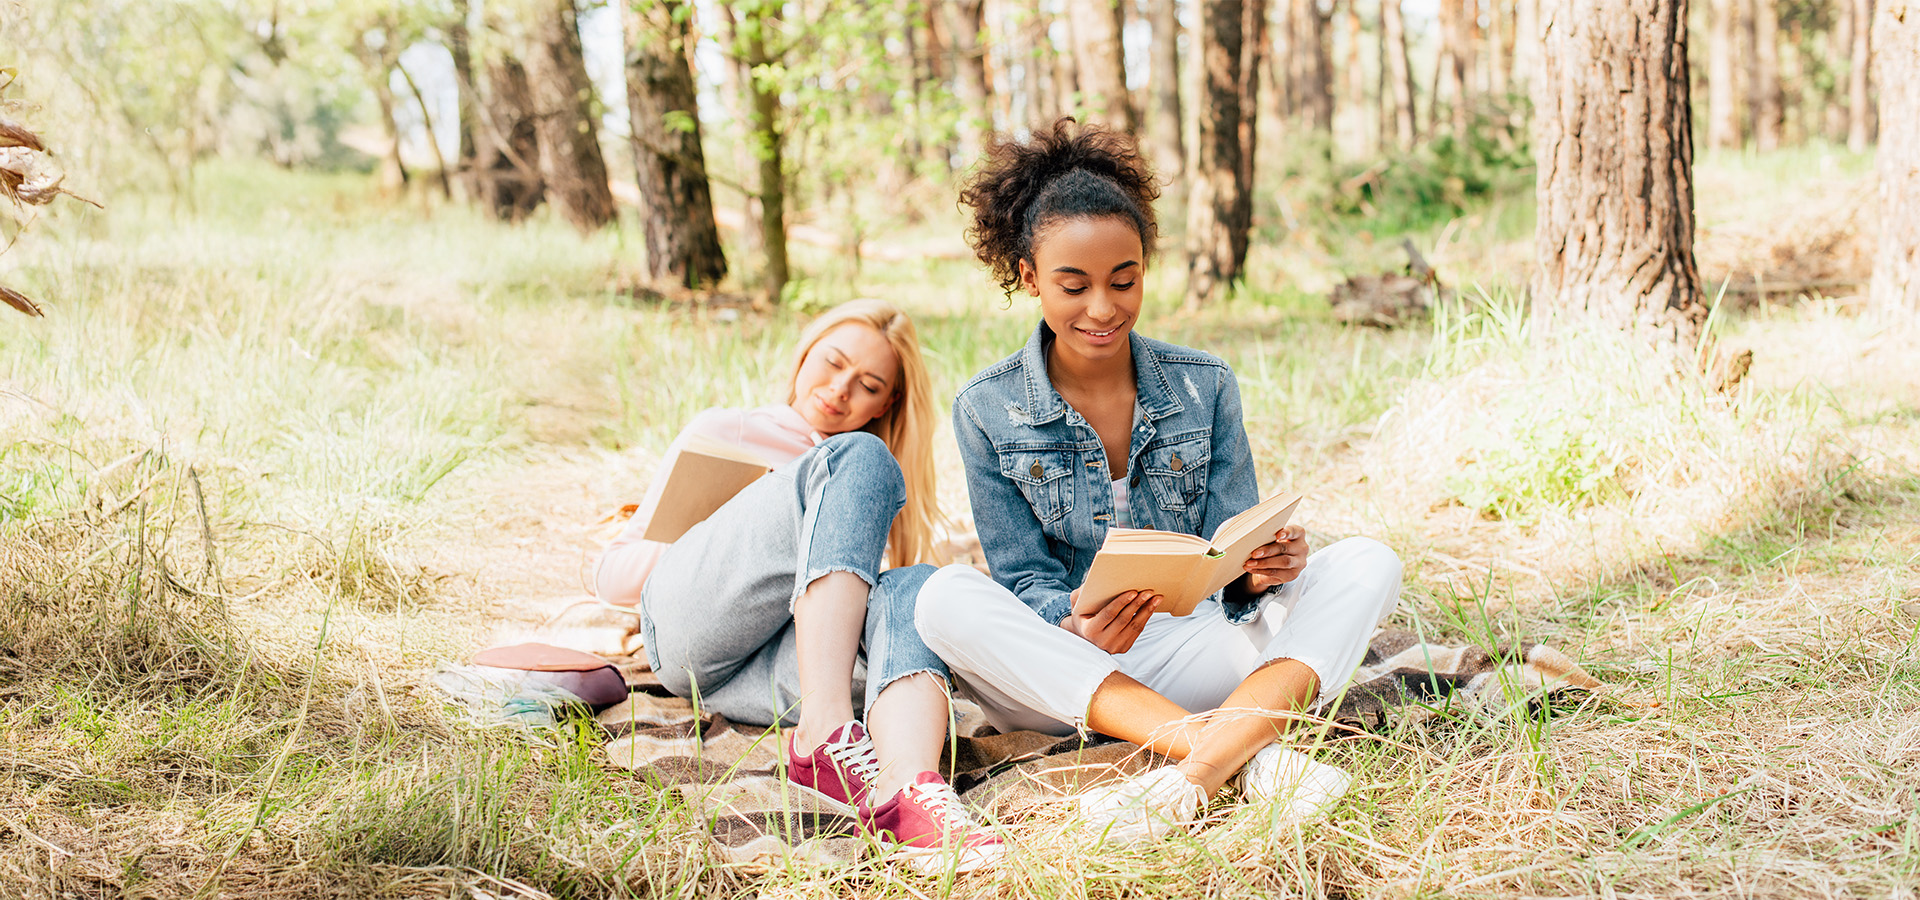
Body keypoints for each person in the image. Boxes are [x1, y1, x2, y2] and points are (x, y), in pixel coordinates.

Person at [916, 121, 1404, 844]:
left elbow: (1229, 549)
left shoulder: (1204, 384)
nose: (1104, 308)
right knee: (942, 597)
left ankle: (1192, 776)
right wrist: (1074, 620)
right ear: (1028, 278)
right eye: (1073, 285)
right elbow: (1021, 580)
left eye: (1125, 279)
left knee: (1369, 561)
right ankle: (1254, 754)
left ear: (1145, 266)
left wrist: (1263, 570)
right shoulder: (987, 408)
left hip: (1202, 646)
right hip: (1070, 674)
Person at [596, 299, 1003, 872]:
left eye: (867, 385)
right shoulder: (731, 430)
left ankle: (907, 790)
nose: (839, 389)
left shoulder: (871, 482)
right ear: (806, 350)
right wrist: (716, 532)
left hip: (779, 675)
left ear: (887, 402)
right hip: (696, 635)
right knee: (859, 458)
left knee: (920, 584)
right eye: (833, 362)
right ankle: (826, 732)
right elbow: (609, 575)